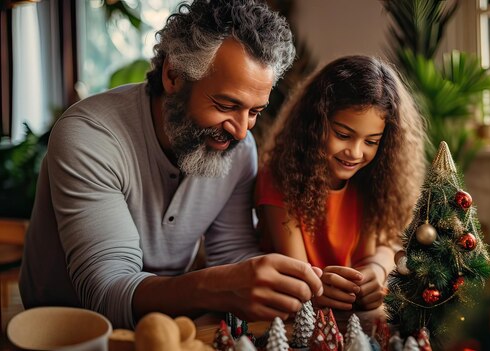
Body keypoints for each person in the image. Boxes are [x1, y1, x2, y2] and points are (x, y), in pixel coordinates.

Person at [19, 0, 323, 329]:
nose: (240, 130)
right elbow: (105, 292)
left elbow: (233, 255)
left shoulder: (238, 147)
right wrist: (216, 286)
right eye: (225, 105)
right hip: (61, 332)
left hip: (169, 327)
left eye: (254, 112)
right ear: (173, 75)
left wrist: (301, 284)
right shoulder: (90, 136)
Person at [255, 55, 426, 312]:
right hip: (292, 311)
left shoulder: (376, 180)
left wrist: (376, 270)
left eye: (371, 141)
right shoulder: (280, 177)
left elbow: (388, 243)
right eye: (343, 135)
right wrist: (323, 289)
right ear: (314, 124)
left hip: (353, 314)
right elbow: (298, 273)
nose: (355, 152)